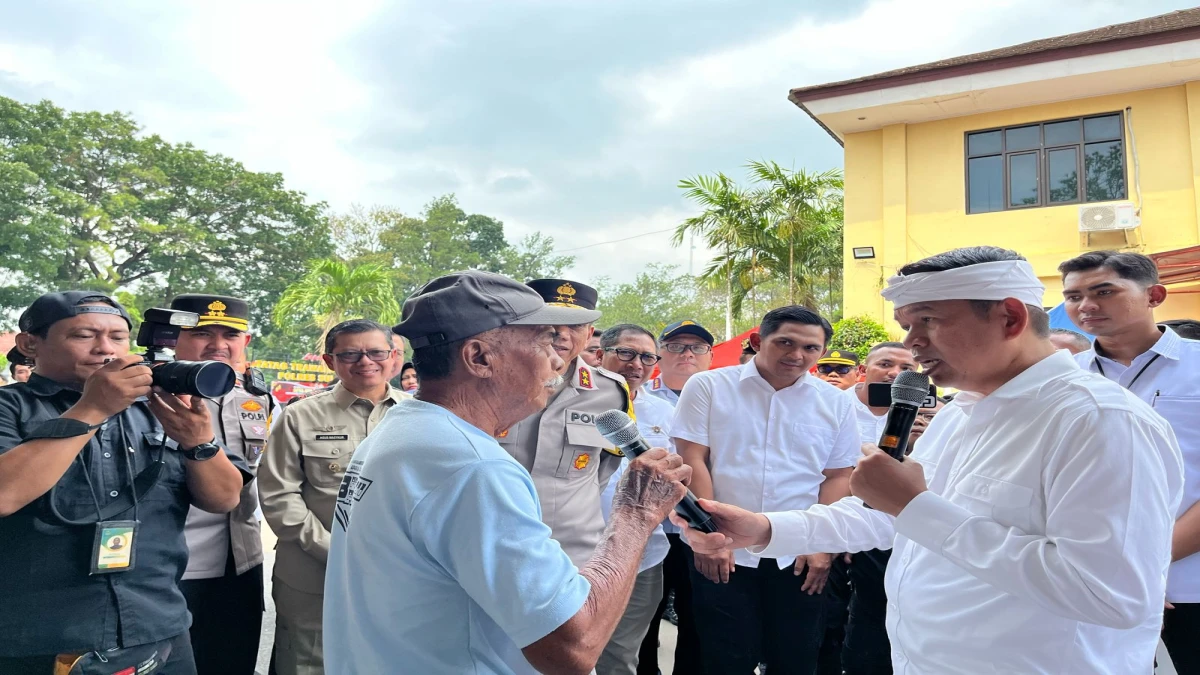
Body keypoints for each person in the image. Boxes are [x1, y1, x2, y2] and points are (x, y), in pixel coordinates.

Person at [675, 246, 1183, 674]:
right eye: (907, 325)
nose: (913, 345)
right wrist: (764, 529)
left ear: (1009, 316)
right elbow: (893, 520)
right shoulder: (962, 411)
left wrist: (916, 508)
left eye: (928, 322)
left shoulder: (1100, 421)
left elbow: (1112, 597)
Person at [322, 270, 692, 674]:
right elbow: (573, 649)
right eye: (542, 341)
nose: (556, 358)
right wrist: (635, 515)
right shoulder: (472, 466)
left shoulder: (403, 428)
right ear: (480, 357)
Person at [0, 291, 249, 675]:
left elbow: (224, 498)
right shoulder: (10, 407)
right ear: (30, 343)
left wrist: (200, 444)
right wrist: (93, 408)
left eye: (117, 338)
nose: (105, 349)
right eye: (84, 335)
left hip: (158, 624)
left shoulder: (158, 408)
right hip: (43, 635)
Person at [674, 305, 859, 674]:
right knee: (724, 657)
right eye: (785, 342)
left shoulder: (835, 402)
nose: (797, 355)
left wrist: (822, 543)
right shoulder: (709, 386)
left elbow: (838, 475)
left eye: (810, 348)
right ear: (758, 341)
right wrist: (712, 536)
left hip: (799, 555)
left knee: (796, 657)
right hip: (723, 552)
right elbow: (693, 459)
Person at [1059, 250, 1200, 672]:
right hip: (1093, 589)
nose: (1086, 306)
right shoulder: (1064, 378)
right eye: (1073, 295)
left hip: (1188, 585)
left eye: (1104, 291)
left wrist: (1146, 565)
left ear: (1154, 294)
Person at [259, 319, 409, 675]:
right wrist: (340, 554)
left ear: (392, 358)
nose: (365, 362)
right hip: (314, 576)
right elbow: (279, 496)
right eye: (350, 354)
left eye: (375, 352)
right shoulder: (300, 416)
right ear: (330, 361)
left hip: (399, 575)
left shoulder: (417, 415)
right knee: (308, 663)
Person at [169, 294, 278, 675]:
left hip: (240, 558)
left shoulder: (260, 398)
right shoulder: (147, 394)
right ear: (173, 337)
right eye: (203, 333)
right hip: (169, 563)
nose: (218, 344)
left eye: (230, 334)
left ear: (245, 342)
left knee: (232, 662)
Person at [495, 279, 631, 568]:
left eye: (577, 326)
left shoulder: (612, 392)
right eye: (552, 321)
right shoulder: (493, 381)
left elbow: (606, 465)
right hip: (495, 542)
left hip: (574, 551)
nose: (562, 335)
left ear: (590, 334)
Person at [597, 324, 673, 675]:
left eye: (647, 357)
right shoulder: (561, 403)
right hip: (572, 551)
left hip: (642, 557)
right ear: (600, 355)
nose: (636, 364)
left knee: (620, 656)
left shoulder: (667, 415)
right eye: (625, 353)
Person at [845, 343, 917, 445]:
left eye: (906, 369)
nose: (895, 373)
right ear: (863, 370)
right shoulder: (834, 405)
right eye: (885, 365)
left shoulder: (918, 415)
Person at [644, 320, 714, 405]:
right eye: (676, 346)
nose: (687, 354)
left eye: (698, 348)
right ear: (657, 354)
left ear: (711, 357)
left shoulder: (726, 397)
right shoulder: (635, 395)